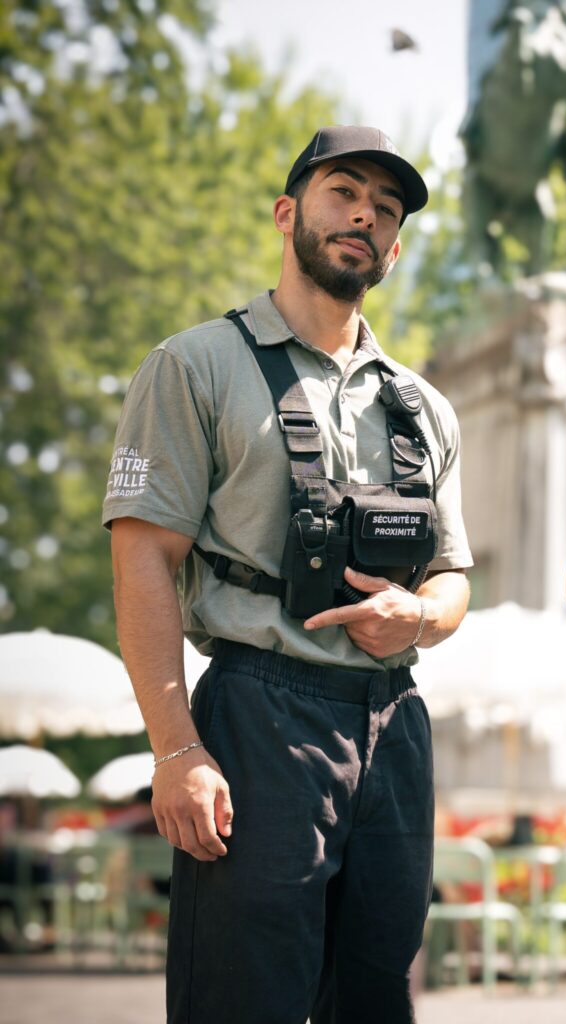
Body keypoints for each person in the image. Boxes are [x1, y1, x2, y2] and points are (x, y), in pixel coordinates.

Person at [103, 125, 473, 1024]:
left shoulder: (425, 407)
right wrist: (177, 749)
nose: (365, 216)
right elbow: (143, 556)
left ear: (394, 246)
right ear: (286, 213)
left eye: (387, 210)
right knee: (243, 997)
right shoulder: (195, 364)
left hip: (395, 721)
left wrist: (417, 618)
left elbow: (454, 580)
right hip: (256, 716)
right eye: (344, 192)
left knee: (379, 997)